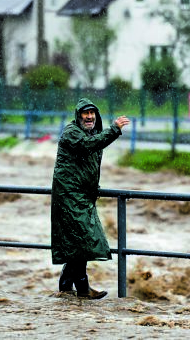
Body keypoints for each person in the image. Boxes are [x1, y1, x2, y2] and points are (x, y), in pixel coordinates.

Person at [51, 97, 130, 299]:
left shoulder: (91, 133)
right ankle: (83, 289)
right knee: (83, 241)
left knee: (81, 242)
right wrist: (114, 129)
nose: (89, 117)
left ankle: (66, 285)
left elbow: (88, 163)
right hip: (70, 196)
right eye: (85, 113)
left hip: (82, 196)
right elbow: (88, 145)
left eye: (92, 113)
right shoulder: (72, 133)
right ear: (78, 116)